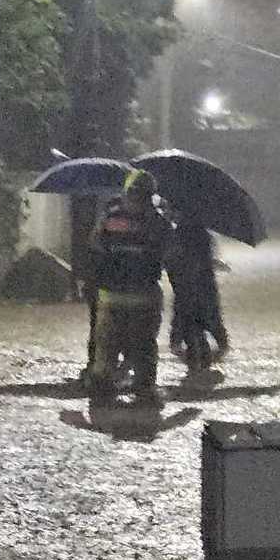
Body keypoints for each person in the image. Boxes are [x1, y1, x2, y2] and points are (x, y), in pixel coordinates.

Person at [85, 170, 172, 401]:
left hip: (110, 296)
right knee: (144, 347)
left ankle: (102, 390)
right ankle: (144, 388)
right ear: (150, 195)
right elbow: (171, 255)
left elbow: (94, 244)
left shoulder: (110, 218)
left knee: (106, 348)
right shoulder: (159, 223)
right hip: (145, 297)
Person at [166, 214, 228, 374]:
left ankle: (196, 364)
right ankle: (200, 363)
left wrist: (175, 340)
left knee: (189, 324)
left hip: (188, 291)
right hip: (202, 291)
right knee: (204, 321)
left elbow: (172, 263)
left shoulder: (176, 236)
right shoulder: (203, 235)